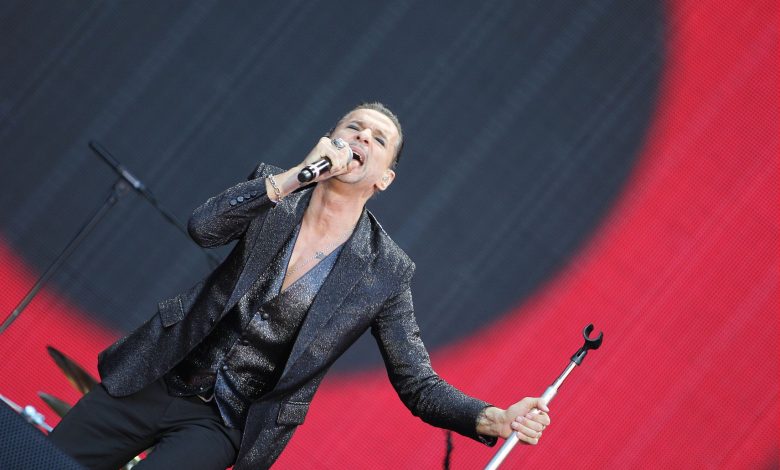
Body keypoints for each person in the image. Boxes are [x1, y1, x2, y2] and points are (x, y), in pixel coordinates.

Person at [49, 102, 551, 469]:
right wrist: (294, 178)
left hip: (223, 422)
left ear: (385, 179)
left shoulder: (385, 270)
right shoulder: (275, 187)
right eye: (353, 128)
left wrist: (493, 418)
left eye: (377, 139)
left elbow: (417, 382)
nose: (362, 138)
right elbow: (204, 227)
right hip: (159, 371)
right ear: (329, 140)